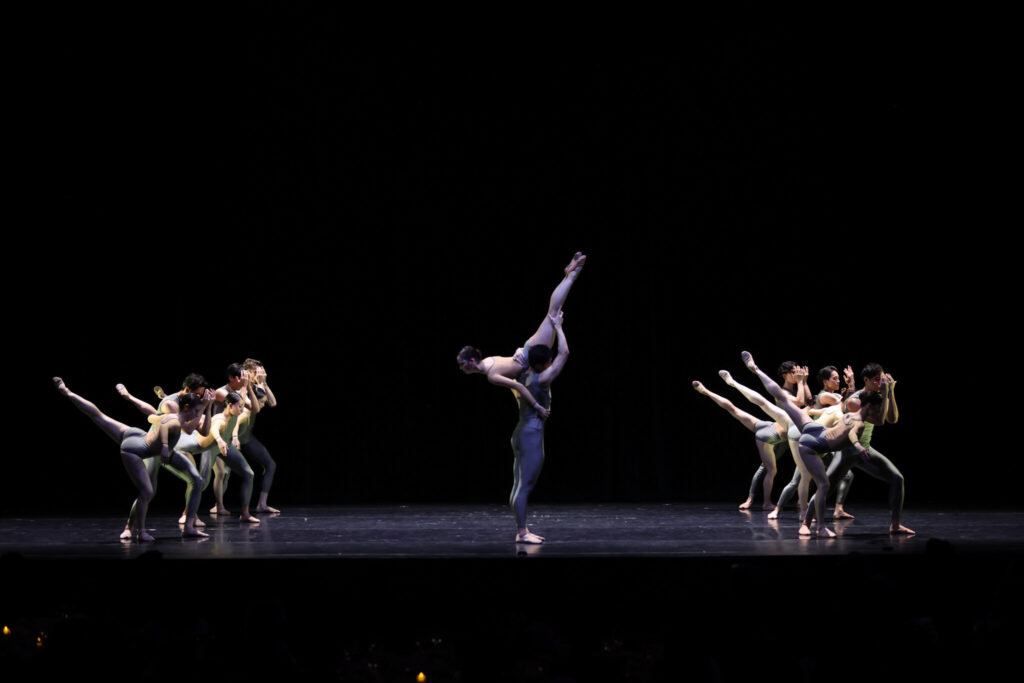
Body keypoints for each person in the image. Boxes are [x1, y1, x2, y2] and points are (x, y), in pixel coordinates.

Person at [740, 352, 881, 537]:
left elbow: (829, 410)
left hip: (813, 429)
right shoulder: (858, 422)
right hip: (812, 445)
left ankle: (756, 369)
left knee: (781, 400)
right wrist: (860, 447)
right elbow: (854, 434)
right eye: (876, 410)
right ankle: (820, 527)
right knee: (823, 485)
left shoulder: (847, 413)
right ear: (868, 408)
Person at [53, 377, 210, 541]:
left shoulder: (183, 413)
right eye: (197, 409)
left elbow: (188, 427)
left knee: (99, 415)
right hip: (135, 449)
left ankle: (68, 392)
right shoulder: (173, 408)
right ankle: (137, 530)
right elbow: (167, 425)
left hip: (139, 436)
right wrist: (164, 445)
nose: (198, 412)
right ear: (187, 402)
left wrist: (207, 405)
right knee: (147, 492)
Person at [457, 252, 585, 419]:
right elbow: (512, 372)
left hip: (530, 353)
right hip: (527, 353)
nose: (461, 368)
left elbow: (518, 386)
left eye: (462, 364)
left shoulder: (491, 375)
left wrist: (537, 407)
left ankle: (571, 275)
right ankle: (569, 275)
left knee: (553, 313)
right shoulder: (488, 362)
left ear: (472, 361)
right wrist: (518, 352)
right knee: (553, 312)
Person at [803, 363, 914, 535]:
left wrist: (890, 392)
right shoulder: (855, 401)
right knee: (826, 488)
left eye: (881, 379)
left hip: (864, 450)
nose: (880, 383)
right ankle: (806, 522)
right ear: (866, 380)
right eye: (876, 380)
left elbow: (892, 419)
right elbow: (880, 421)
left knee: (897, 478)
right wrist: (886, 393)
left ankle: (895, 525)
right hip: (847, 451)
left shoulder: (877, 396)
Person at [116, 374, 215, 530]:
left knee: (196, 480)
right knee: (148, 492)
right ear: (187, 390)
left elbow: (204, 431)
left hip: (169, 449)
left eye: (201, 395)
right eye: (197, 394)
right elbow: (188, 429)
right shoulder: (170, 404)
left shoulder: (191, 403)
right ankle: (129, 527)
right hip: (153, 450)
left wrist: (208, 407)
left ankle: (189, 526)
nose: (199, 398)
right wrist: (203, 406)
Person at [692, 371, 793, 512]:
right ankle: (766, 503)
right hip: (768, 436)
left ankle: (706, 391)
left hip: (765, 425)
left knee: (733, 409)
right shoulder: (804, 418)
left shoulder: (802, 412)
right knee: (771, 470)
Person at [510, 311, 570, 543]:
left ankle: (522, 527)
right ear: (542, 364)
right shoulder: (543, 379)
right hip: (531, 435)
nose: (551, 363)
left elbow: (526, 348)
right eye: (548, 361)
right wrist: (559, 326)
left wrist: (519, 350)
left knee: (519, 484)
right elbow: (564, 353)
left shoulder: (523, 371)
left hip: (520, 432)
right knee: (524, 487)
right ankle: (522, 532)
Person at [740, 361, 812, 511]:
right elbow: (799, 402)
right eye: (793, 372)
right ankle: (751, 498)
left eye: (797, 372)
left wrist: (804, 381)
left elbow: (808, 401)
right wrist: (801, 382)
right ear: (785, 375)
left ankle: (801, 500)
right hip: (782, 434)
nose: (796, 374)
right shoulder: (782, 392)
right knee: (766, 468)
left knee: (804, 468)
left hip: (793, 434)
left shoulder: (797, 389)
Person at [236, 358, 279, 514]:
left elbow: (272, 403)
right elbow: (257, 406)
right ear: (248, 372)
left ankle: (262, 504)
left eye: (262, 371)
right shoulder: (242, 388)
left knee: (270, 465)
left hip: (246, 438)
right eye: (257, 371)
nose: (260, 374)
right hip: (231, 437)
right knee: (223, 474)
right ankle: (218, 505)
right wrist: (261, 384)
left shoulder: (257, 387)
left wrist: (264, 384)